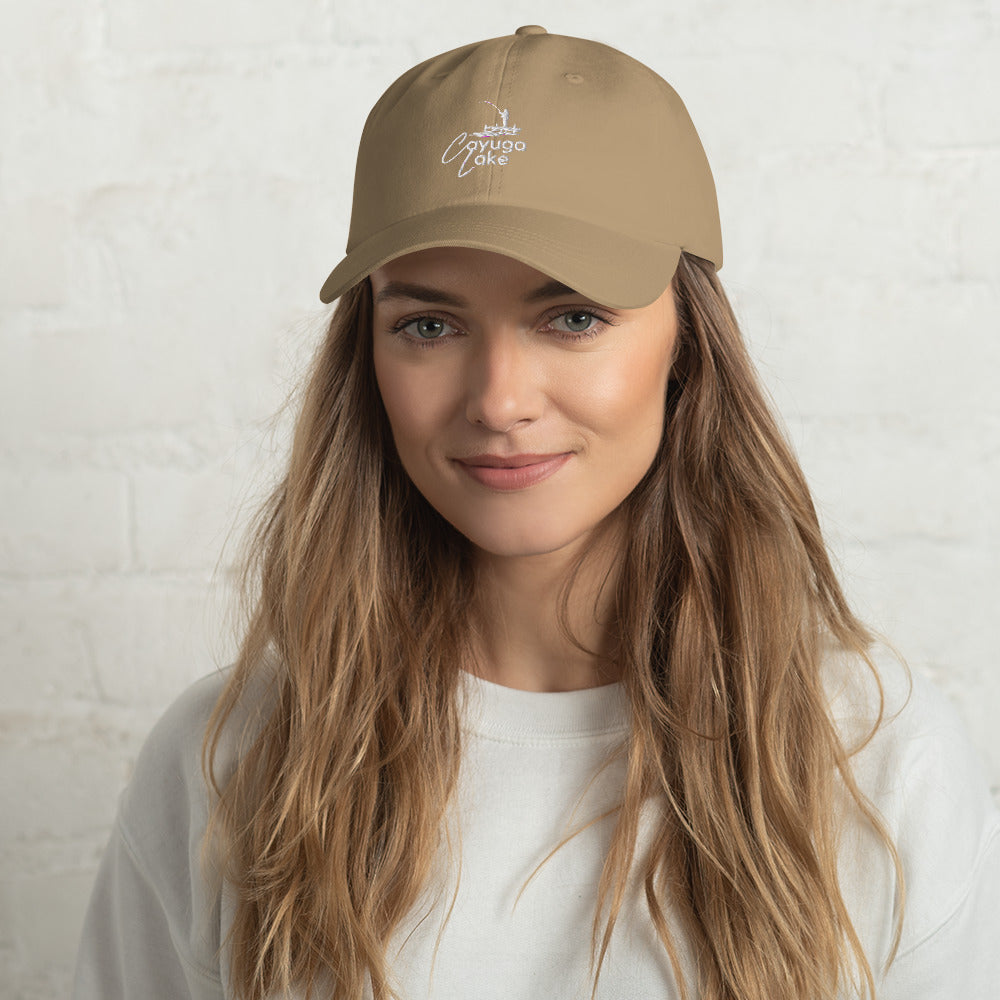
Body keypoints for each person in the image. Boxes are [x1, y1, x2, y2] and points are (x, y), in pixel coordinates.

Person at [71, 25, 1000, 1000]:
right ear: (369, 361)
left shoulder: (878, 761)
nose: (499, 398)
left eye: (573, 316)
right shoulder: (229, 762)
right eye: (428, 324)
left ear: (689, 342)